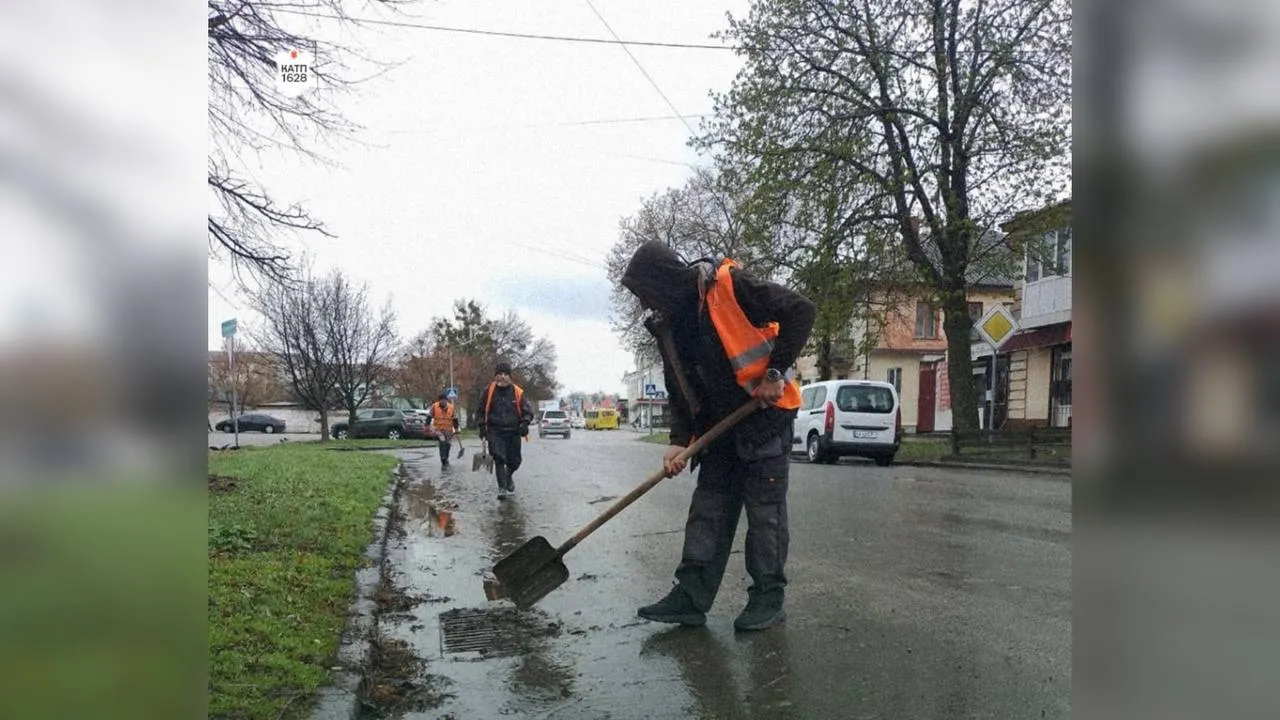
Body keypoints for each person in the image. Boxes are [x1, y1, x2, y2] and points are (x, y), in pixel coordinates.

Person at [621, 241, 815, 632]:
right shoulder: (670, 323)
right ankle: (690, 598)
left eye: (645, 292)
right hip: (716, 430)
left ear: (664, 279)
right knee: (708, 512)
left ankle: (767, 599)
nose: (645, 303)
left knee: (765, 517)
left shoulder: (730, 285)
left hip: (764, 419)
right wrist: (679, 439)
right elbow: (679, 384)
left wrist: (775, 374)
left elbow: (801, 310)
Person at [474, 362, 534, 499]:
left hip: (513, 432)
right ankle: (502, 488)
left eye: (505, 374)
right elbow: (480, 411)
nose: (502, 377)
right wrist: (482, 426)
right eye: (499, 374)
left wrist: (525, 423)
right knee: (499, 458)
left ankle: (508, 476)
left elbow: (528, 412)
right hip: (495, 431)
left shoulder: (517, 392)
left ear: (510, 377)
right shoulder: (488, 391)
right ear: (495, 376)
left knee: (515, 461)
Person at [429, 392, 460, 467]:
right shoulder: (434, 406)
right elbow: (429, 416)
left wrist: (456, 429)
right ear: (439, 401)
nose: (443, 401)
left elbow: (455, 419)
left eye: (444, 400)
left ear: (446, 400)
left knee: (448, 444)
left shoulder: (451, 407)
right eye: (441, 400)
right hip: (438, 430)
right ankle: (443, 459)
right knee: (442, 442)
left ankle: (446, 458)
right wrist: (427, 426)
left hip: (448, 430)